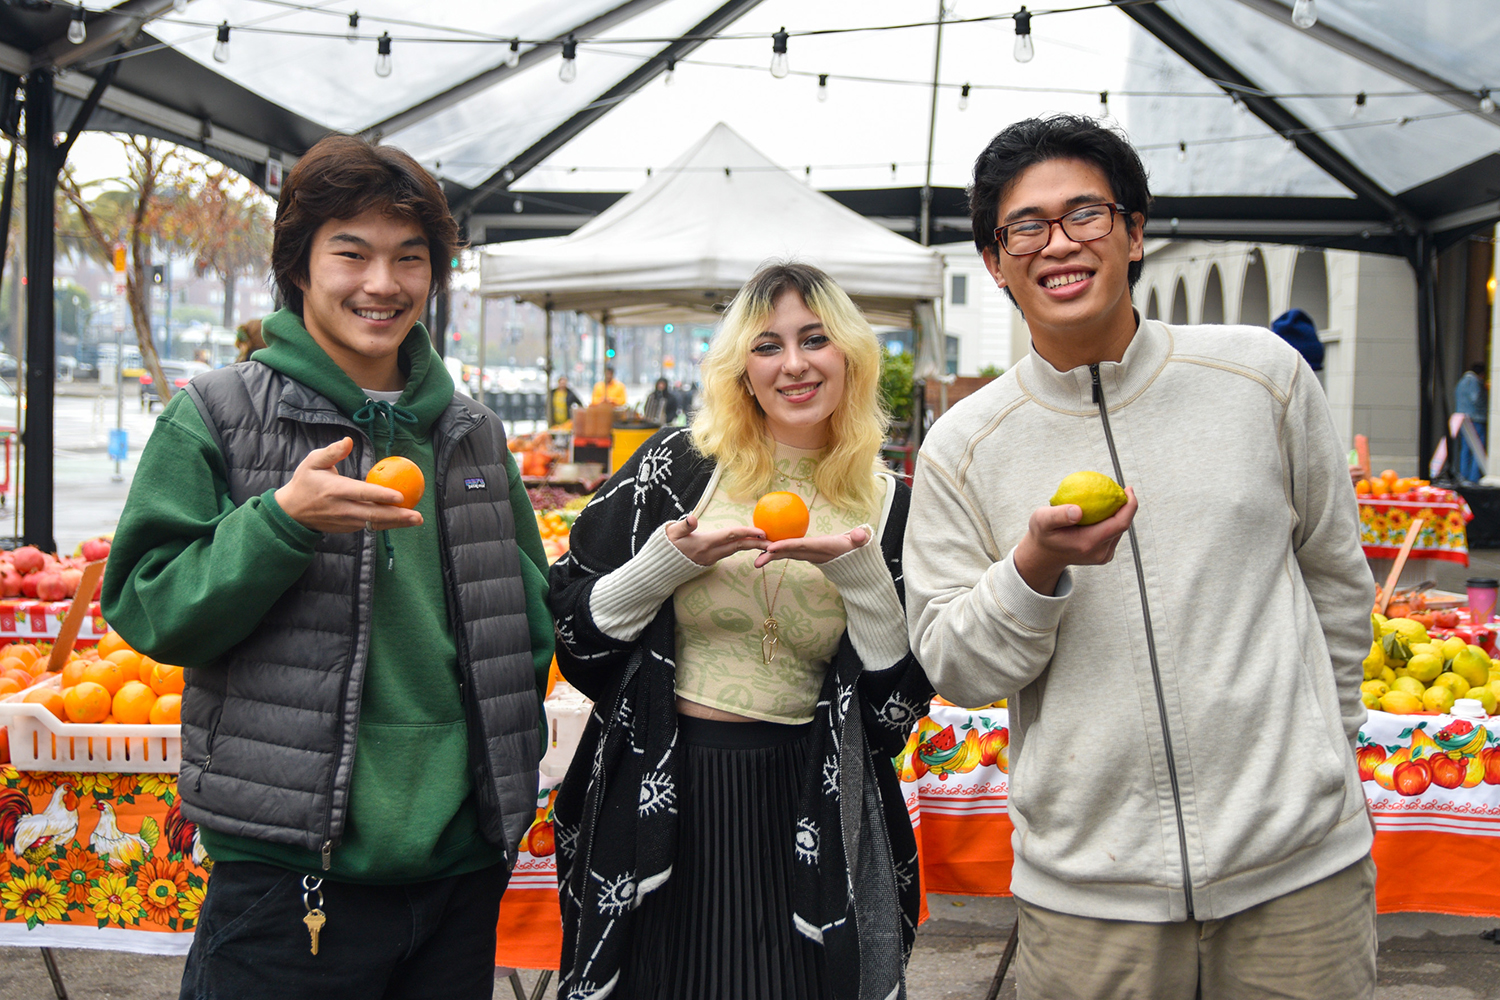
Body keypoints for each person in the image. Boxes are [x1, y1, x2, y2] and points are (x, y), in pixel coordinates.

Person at [904, 115, 1376, 999]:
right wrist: (1031, 570)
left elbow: (1337, 584)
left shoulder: (1262, 379)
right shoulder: (963, 446)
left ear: (1135, 231)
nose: (1060, 244)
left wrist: (1329, 755)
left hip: (1299, 879)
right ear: (995, 261)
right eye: (1027, 227)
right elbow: (953, 663)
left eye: (1086, 213)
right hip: (1088, 897)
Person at [101, 134, 554, 1000]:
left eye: (409, 259)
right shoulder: (218, 416)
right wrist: (277, 523)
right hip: (286, 874)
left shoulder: (471, 433)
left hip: (458, 873)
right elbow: (147, 606)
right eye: (352, 253)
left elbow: (524, 623)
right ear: (299, 265)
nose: (382, 284)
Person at [548, 262, 932, 1000]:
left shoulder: (892, 506)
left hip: (806, 800)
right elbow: (576, 639)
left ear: (850, 356)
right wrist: (660, 568)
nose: (793, 364)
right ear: (740, 372)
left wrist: (861, 583)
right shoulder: (679, 467)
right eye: (767, 346)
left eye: (815, 339)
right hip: (662, 788)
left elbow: (891, 718)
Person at [1455, 362, 1487, 483]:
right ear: (1481, 374)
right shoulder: (1474, 382)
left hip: (1463, 419)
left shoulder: (1461, 382)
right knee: (1477, 448)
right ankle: (1474, 477)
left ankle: (1464, 475)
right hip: (1476, 418)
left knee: (1465, 448)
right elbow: (1476, 398)